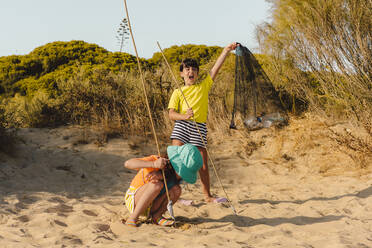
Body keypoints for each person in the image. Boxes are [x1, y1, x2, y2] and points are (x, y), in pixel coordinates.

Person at [168, 42, 238, 203]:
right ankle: (173, 195)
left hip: (198, 127)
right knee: (176, 161)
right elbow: (171, 114)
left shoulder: (203, 86)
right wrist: (184, 116)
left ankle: (207, 196)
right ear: (181, 74)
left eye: (193, 69)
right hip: (182, 126)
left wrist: (226, 50)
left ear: (197, 73)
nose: (190, 71)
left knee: (203, 164)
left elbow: (215, 69)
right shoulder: (178, 92)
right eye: (187, 69)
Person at [123, 143, 203, 227]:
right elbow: (128, 163)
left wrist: (163, 177)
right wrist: (153, 164)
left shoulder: (176, 177)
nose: (182, 175)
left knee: (177, 190)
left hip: (151, 207)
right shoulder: (157, 161)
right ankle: (133, 218)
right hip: (135, 201)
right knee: (156, 185)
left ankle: (156, 216)